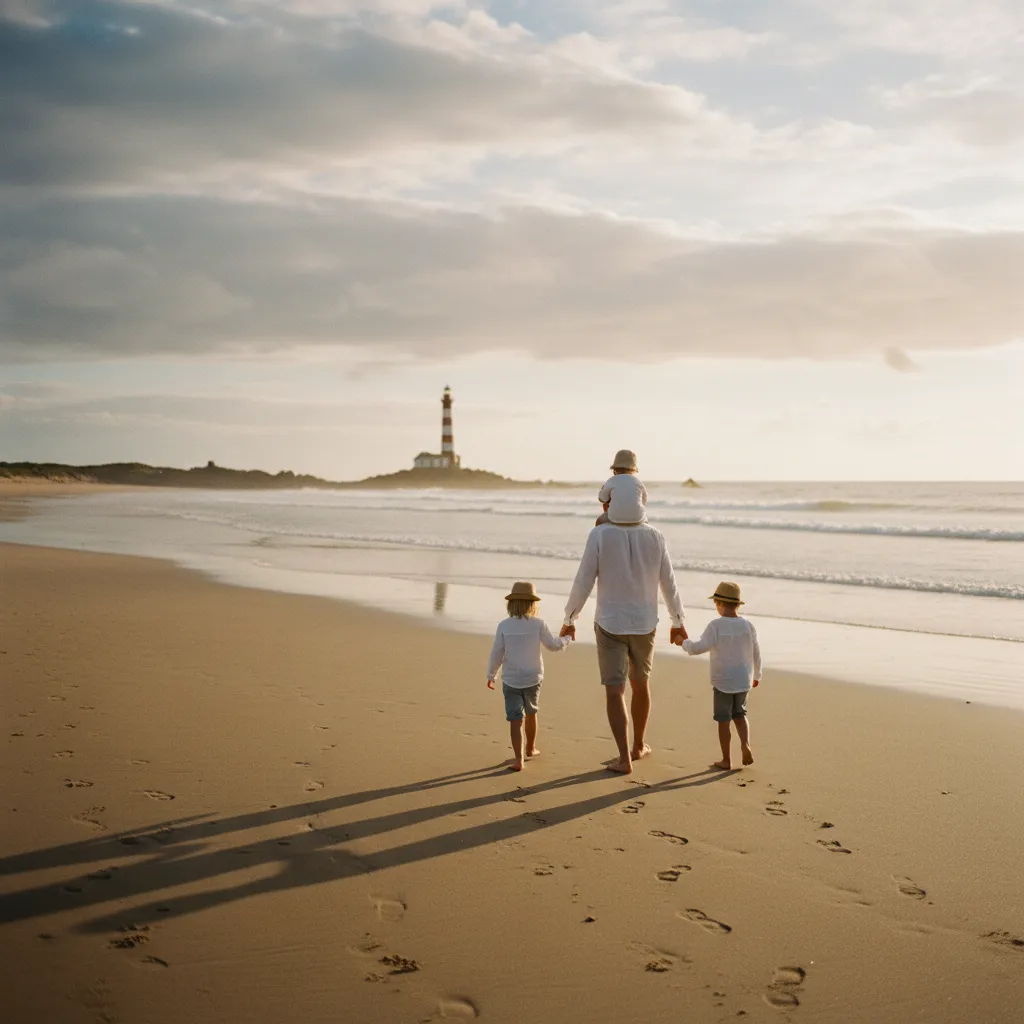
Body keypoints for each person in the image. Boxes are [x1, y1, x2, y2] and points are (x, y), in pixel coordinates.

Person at [560, 519, 687, 774]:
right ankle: (638, 746)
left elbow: (583, 581)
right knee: (641, 686)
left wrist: (569, 619)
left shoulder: (600, 534)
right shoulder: (655, 535)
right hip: (644, 623)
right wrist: (678, 621)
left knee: (615, 691)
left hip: (610, 622)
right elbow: (669, 583)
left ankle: (624, 759)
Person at [487, 581, 570, 771]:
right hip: (533, 678)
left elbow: (497, 652)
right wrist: (566, 638)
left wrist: (492, 674)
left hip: (511, 679)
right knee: (532, 713)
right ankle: (531, 748)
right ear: (533, 604)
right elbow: (553, 645)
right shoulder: (539, 624)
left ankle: (518, 760)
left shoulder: (504, 625)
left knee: (515, 719)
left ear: (511, 604)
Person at [681, 581, 761, 770]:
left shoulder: (715, 625)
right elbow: (756, 652)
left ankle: (726, 760)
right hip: (743, 679)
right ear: (737, 605)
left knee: (723, 721)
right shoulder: (748, 625)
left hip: (723, 681)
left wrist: (683, 642)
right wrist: (757, 674)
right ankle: (745, 745)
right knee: (740, 714)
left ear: (720, 604)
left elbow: (698, 647)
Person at [595, 449, 648, 526]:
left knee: (599, 521)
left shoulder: (611, 480)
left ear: (614, 469)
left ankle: (598, 536)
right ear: (633, 470)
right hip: (637, 518)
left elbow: (602, 499)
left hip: (615, 518)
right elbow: (644, 501)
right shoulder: (638, 482)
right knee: (646, 521)